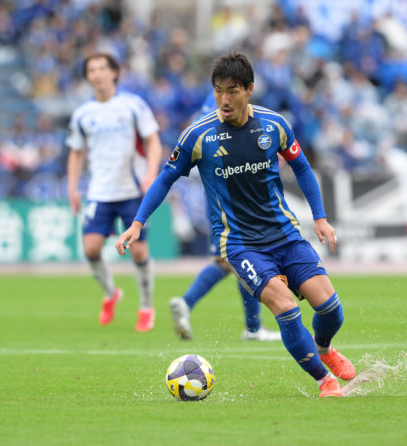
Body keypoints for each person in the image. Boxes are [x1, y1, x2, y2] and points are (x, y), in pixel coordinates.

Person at [117, 52, 356, 397]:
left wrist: (320, 217)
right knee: (285, 306)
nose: (224, 99)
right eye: (218, 91)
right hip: (240, 244)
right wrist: (138, 223)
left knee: (331, 311)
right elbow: (166, 178)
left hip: (285, 235)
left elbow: (302, 167)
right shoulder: (198, 135)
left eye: (232, 91)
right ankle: (324, 380)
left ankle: (324, 348)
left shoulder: (274, 125)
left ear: (249, 90)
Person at [169, 90, 281, 342]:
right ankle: (250, 327)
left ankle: (252, 327)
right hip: (232, 194)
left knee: (234, 259)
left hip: (216, 194)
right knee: (243, 255)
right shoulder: (226, 102)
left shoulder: (209, 104)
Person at [67, 52, 163, 331]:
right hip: (99, 192)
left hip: (132, 190)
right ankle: (111, 293)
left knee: (139, 252)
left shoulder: (133, 105)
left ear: (114, 73)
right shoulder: (83, 114)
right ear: (87, 77)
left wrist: (151, 174)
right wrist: (72, 188)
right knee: (91, 249)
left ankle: (146, 306)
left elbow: (153, 140)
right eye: (91, 70)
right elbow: (75, 152)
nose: (97, 74)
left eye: (102, 68)